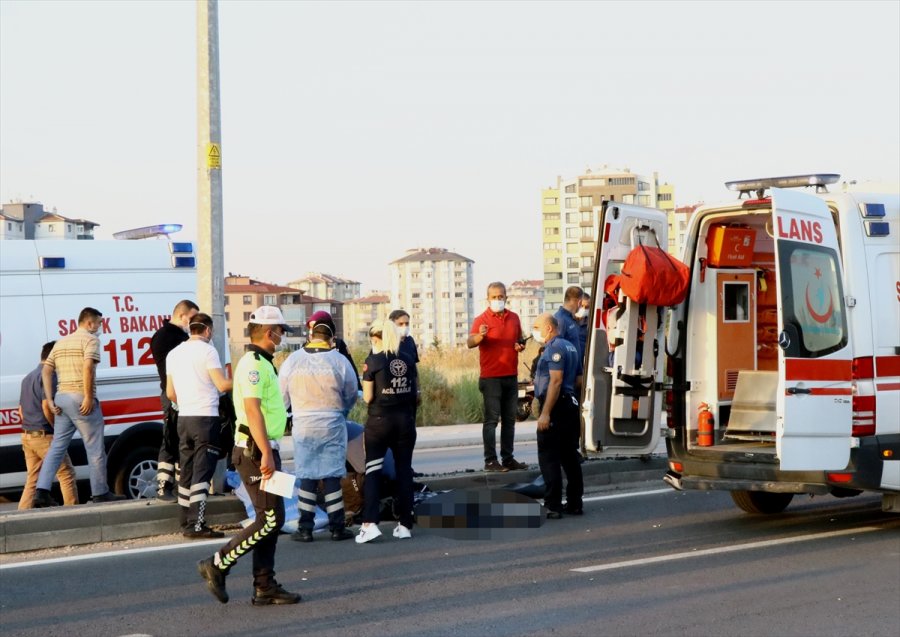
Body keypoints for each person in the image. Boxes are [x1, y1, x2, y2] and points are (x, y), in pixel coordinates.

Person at [197, 306, 301, 606]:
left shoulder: (264, 362)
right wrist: (267, 452)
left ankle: (264, 586)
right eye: (280, 330)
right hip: (256, 452)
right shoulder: (254, 364)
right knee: (268, 520)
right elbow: (253, 409)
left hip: (268, 450)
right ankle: (217, 563)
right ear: (269, 333)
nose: (282, 335)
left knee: (273, 518)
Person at [33, 307, 124, 507]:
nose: (100, 327)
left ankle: (41, 492)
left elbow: (46, 371)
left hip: (61, 398)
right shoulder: (91, 340)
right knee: (94, 448)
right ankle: (100, 492)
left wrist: (49, 399)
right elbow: (88, 367)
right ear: (89, 323)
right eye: (99, 323)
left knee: (57, 446)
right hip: (80, 397)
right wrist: (89, 397)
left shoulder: (60, 343)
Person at [279, 315, 357, 543]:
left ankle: (305, 528)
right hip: (331, 423)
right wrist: (343, 410)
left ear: (311, 336)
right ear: (331, 338)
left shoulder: (293, 361)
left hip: (303, 424)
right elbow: (352, 392)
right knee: (332, 475)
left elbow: (281, 394)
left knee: (307, 476)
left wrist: (286, 415)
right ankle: (337, 527)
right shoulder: (339, 361)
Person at [165, 313, 232, 538]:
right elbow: (222, 385)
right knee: (202, 474)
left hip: (184, 419)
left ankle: (185, 521)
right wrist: (241, 379)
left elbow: (170, 393)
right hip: (206, 418)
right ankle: (197, 524)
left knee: (186, 471)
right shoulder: (208, 351)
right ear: (207, 330)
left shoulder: (174, 354)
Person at [355, 318, 418, 543]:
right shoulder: (409, 359)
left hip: (379, 422)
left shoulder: (373, 361)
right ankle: (405, 525)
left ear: (378, 337)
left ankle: (370, 524)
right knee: (404, 472)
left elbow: (368, 397)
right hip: (405, 421)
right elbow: (414, 391)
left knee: (373, 471)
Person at [467, 282, 528, 472]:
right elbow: (470, 342)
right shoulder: (481, 319)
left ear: (506, 297)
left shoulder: (514, 318)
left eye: (501, 296)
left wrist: (520, 346)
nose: (498, 300)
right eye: (494, 297)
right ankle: (490, 461)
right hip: (491, 378)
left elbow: (519, 340)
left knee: (510, 420)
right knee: (491, 420)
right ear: (488, 299)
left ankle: (508, 458)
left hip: (510, 375)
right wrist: (480, 336)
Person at [531, 313, 583, 519]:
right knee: (570, 457)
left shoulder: (553, 348)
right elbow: (579, 380)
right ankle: (575, 503)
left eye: (537, 327)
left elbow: (555, 381)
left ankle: (553, 505)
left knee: (549, 456)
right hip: (570, 404)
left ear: (549, 328)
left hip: (555, 406)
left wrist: (545, 413)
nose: (534, 331)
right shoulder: (571, 347)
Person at [17, 341, 78, 509]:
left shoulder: (27, 378)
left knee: (33, 479)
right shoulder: (49, 375)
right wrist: (57, 429)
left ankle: (21, 518)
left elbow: (20, 411)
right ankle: (75, 514)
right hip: (45, 435)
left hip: (28, 434)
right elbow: (46, 405)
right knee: (66, 474)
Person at [151, 299, 199, 501]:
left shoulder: (168, 336)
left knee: (180, 440)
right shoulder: (171, 338)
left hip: (179, 393)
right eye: (193, 317)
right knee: (172, 439)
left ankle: (180, 485)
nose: (195, 322)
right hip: (175, 394)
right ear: (183, 315)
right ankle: (164, 486)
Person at [305, 310, 361, 390]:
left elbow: (351, 370)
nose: (311, 330)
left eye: (314, 326)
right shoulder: (305, 346)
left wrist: (358, 390)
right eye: (310, 327)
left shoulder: (338, 345)